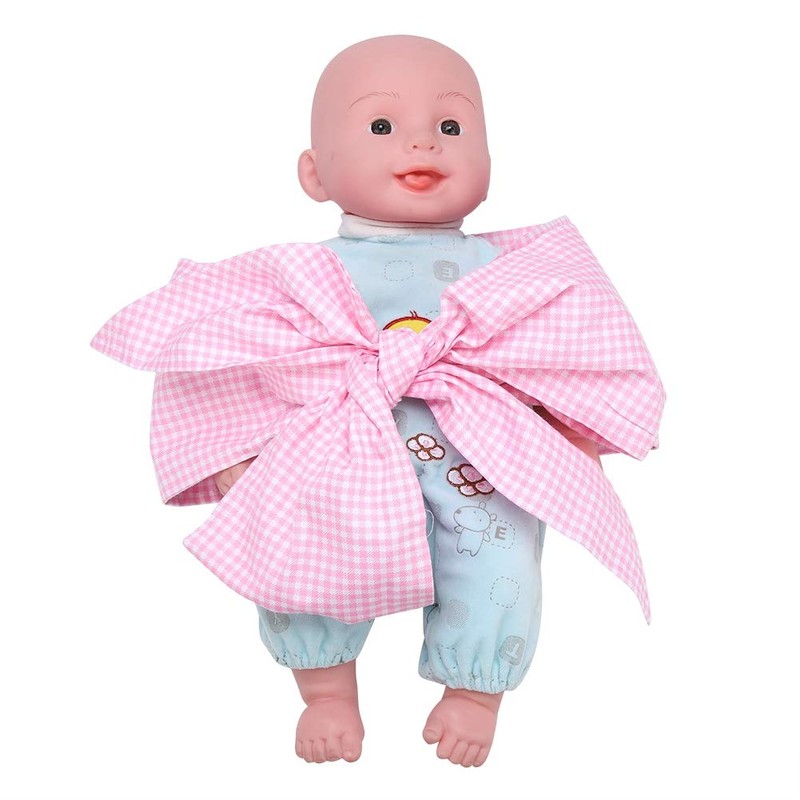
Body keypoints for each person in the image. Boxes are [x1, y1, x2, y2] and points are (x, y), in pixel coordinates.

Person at [92, 34, 663, 769]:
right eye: (382, 125)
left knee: (501, 559)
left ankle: (475, 689)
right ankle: (325, 687)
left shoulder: (519, 270)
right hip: (330, 450)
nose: (422, 142)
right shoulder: (294, 274)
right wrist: (238, 456)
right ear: (314, 172)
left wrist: (574, 431)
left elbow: (562, 351)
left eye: (451, 125)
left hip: (482, 454)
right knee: (303, 547)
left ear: (489, 161)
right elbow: (235, 355)